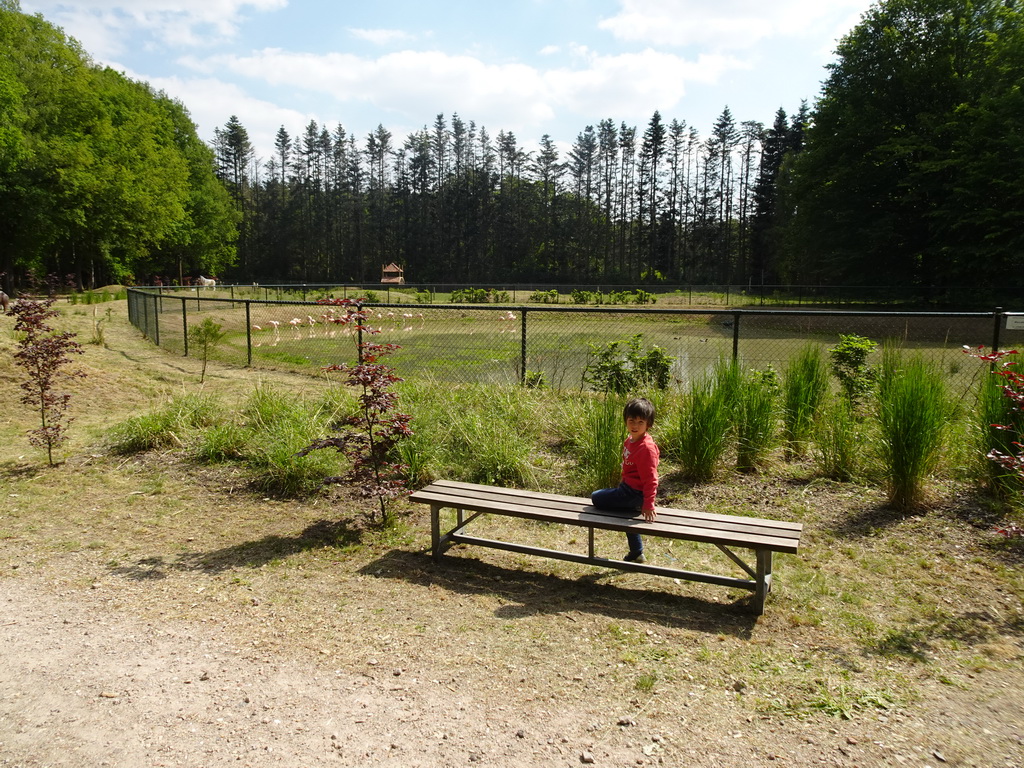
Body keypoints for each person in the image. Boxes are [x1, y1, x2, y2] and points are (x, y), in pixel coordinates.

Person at [590, 397, 660, 564]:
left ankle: (636, 550)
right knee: (624, 512)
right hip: (628, 490)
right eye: (631, 421)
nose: (635, 425)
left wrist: (648, 504)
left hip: (635, 494)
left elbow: (651, 479)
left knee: (596, 497)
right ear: (626, 421)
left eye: (640, 422)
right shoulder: (630, 441)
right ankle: (636, 552)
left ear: (648, 424)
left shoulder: (646, 449)